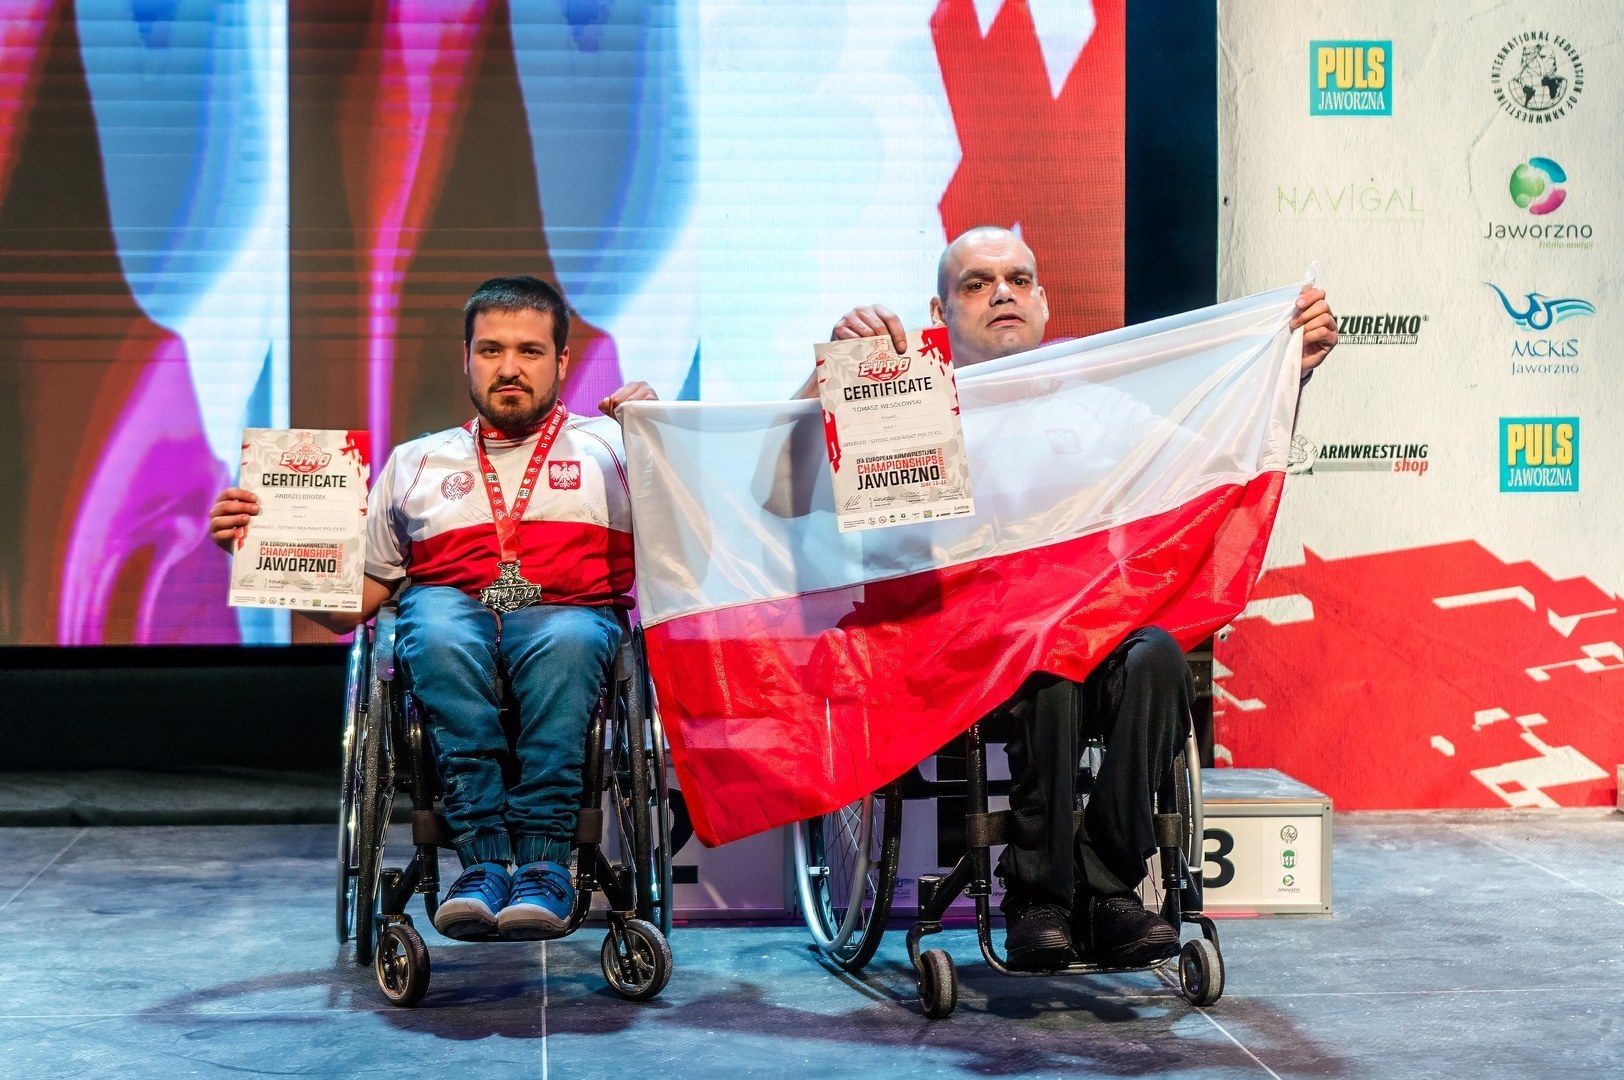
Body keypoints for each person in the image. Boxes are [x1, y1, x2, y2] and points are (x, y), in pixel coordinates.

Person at [809, 226, 1337, 970]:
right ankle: (1038, 897)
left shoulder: (1099, 411)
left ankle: (1108, 887)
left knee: (1155, 656)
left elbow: (1222, 459)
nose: (1003, 293)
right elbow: (784, 484)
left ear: (1045, 303)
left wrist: (1286, 374)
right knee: (1049, 649)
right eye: (977, 283)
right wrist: (834, 375)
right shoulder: (906, 402)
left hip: (1079, 636)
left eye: (1019, 280)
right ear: (939, 311)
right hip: (954, 652)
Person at [209, 276, 656, 942]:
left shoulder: (615, 447)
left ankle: (542, 863)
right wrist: (256, 549)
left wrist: (661, 434)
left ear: (563, 361)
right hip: (452, 621)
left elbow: (712, 513)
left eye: (530, 351)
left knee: (566, 637)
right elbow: (352, 607)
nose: (509, 368)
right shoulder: (415, 461)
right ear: (466, 358)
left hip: (570, 618)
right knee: (437, 624)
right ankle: (482, 862)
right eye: (491, 350)